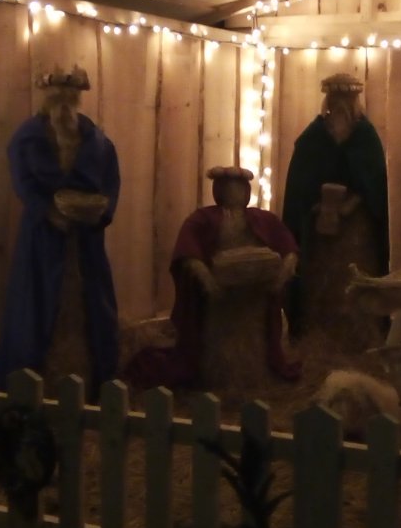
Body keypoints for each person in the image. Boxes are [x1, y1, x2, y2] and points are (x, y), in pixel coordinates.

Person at [0, 64, 121, 390]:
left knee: (90, 305)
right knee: (36, 304)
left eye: (70, 100)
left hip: (85, 243)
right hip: (42, 240)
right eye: (57, 100)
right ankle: (36, 379)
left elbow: (110, 183)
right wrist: (47, 211)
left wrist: (99, 213)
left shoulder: (96, 141)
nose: (64, 108)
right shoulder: (28, 138)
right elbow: (24, 183)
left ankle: (88, 377)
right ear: (47, 101)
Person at [125, 166, 300, 390]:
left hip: (255, 298)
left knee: (255, 339)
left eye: (239, 188)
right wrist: (207, 278)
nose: (234, 194)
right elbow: (188, 249)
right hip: (220, 299)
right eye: (229, 188)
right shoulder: (204, 218)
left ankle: (255, 377)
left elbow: (286, 243)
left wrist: (283, 273)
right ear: (219, 190)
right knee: (220, 341)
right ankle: (218, 379)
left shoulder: (261, 218)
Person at [279, 72, 389, 346]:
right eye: (336, 98)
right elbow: (301, 186)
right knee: (322, 282)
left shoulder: (366, 137)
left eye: (346, 99)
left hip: (357, 231)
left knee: (353, 280)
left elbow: (374, 184)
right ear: (328, 100)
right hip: (320, 229)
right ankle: (317, 338)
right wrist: (318, 206)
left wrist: (351, 205)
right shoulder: (313, 137)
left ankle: (358, 339)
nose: (340, 105)